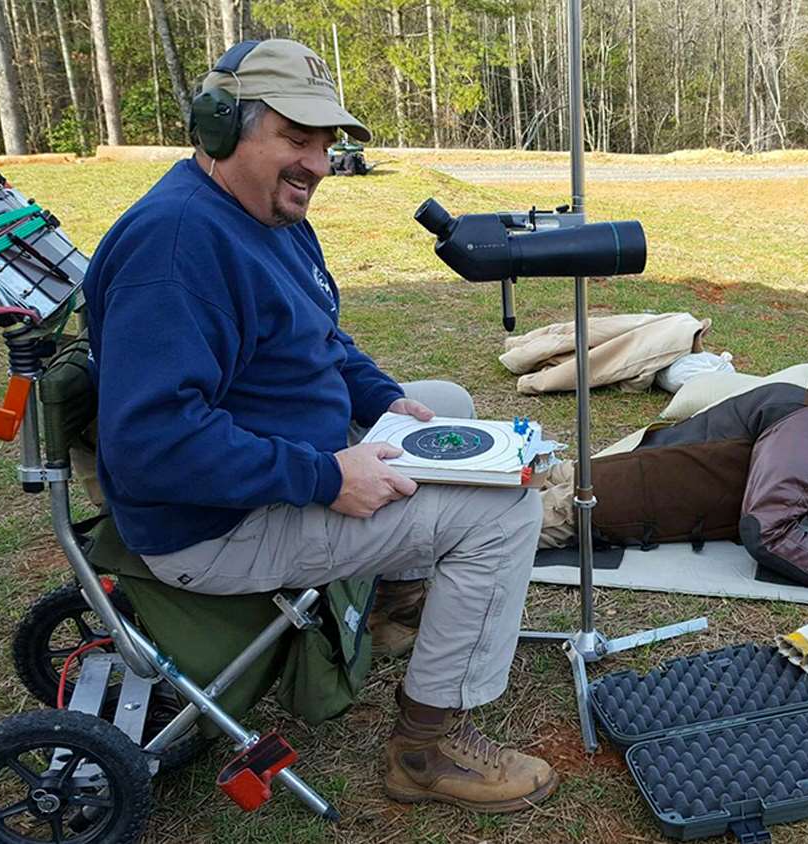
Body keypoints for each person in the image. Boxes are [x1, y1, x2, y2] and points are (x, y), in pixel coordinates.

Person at [83, 39, 555, 813]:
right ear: (221, 128)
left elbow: (320, 337)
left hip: (271, 469)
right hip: (215, 526)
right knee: (506, 509)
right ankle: (427, 748)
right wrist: (328, 476)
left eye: (326, 144)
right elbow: (153, 444)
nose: (318, 163)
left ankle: (400, 605)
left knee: (448, 406)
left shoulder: (267, 215)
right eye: (295, 140)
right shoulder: (176, 246)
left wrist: (381, 400)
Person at [539, 346, 808, 605]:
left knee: (507, 481)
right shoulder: (804, 431)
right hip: (607, 503)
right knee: (488, 529)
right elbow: (768, 532)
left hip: (616, 479)